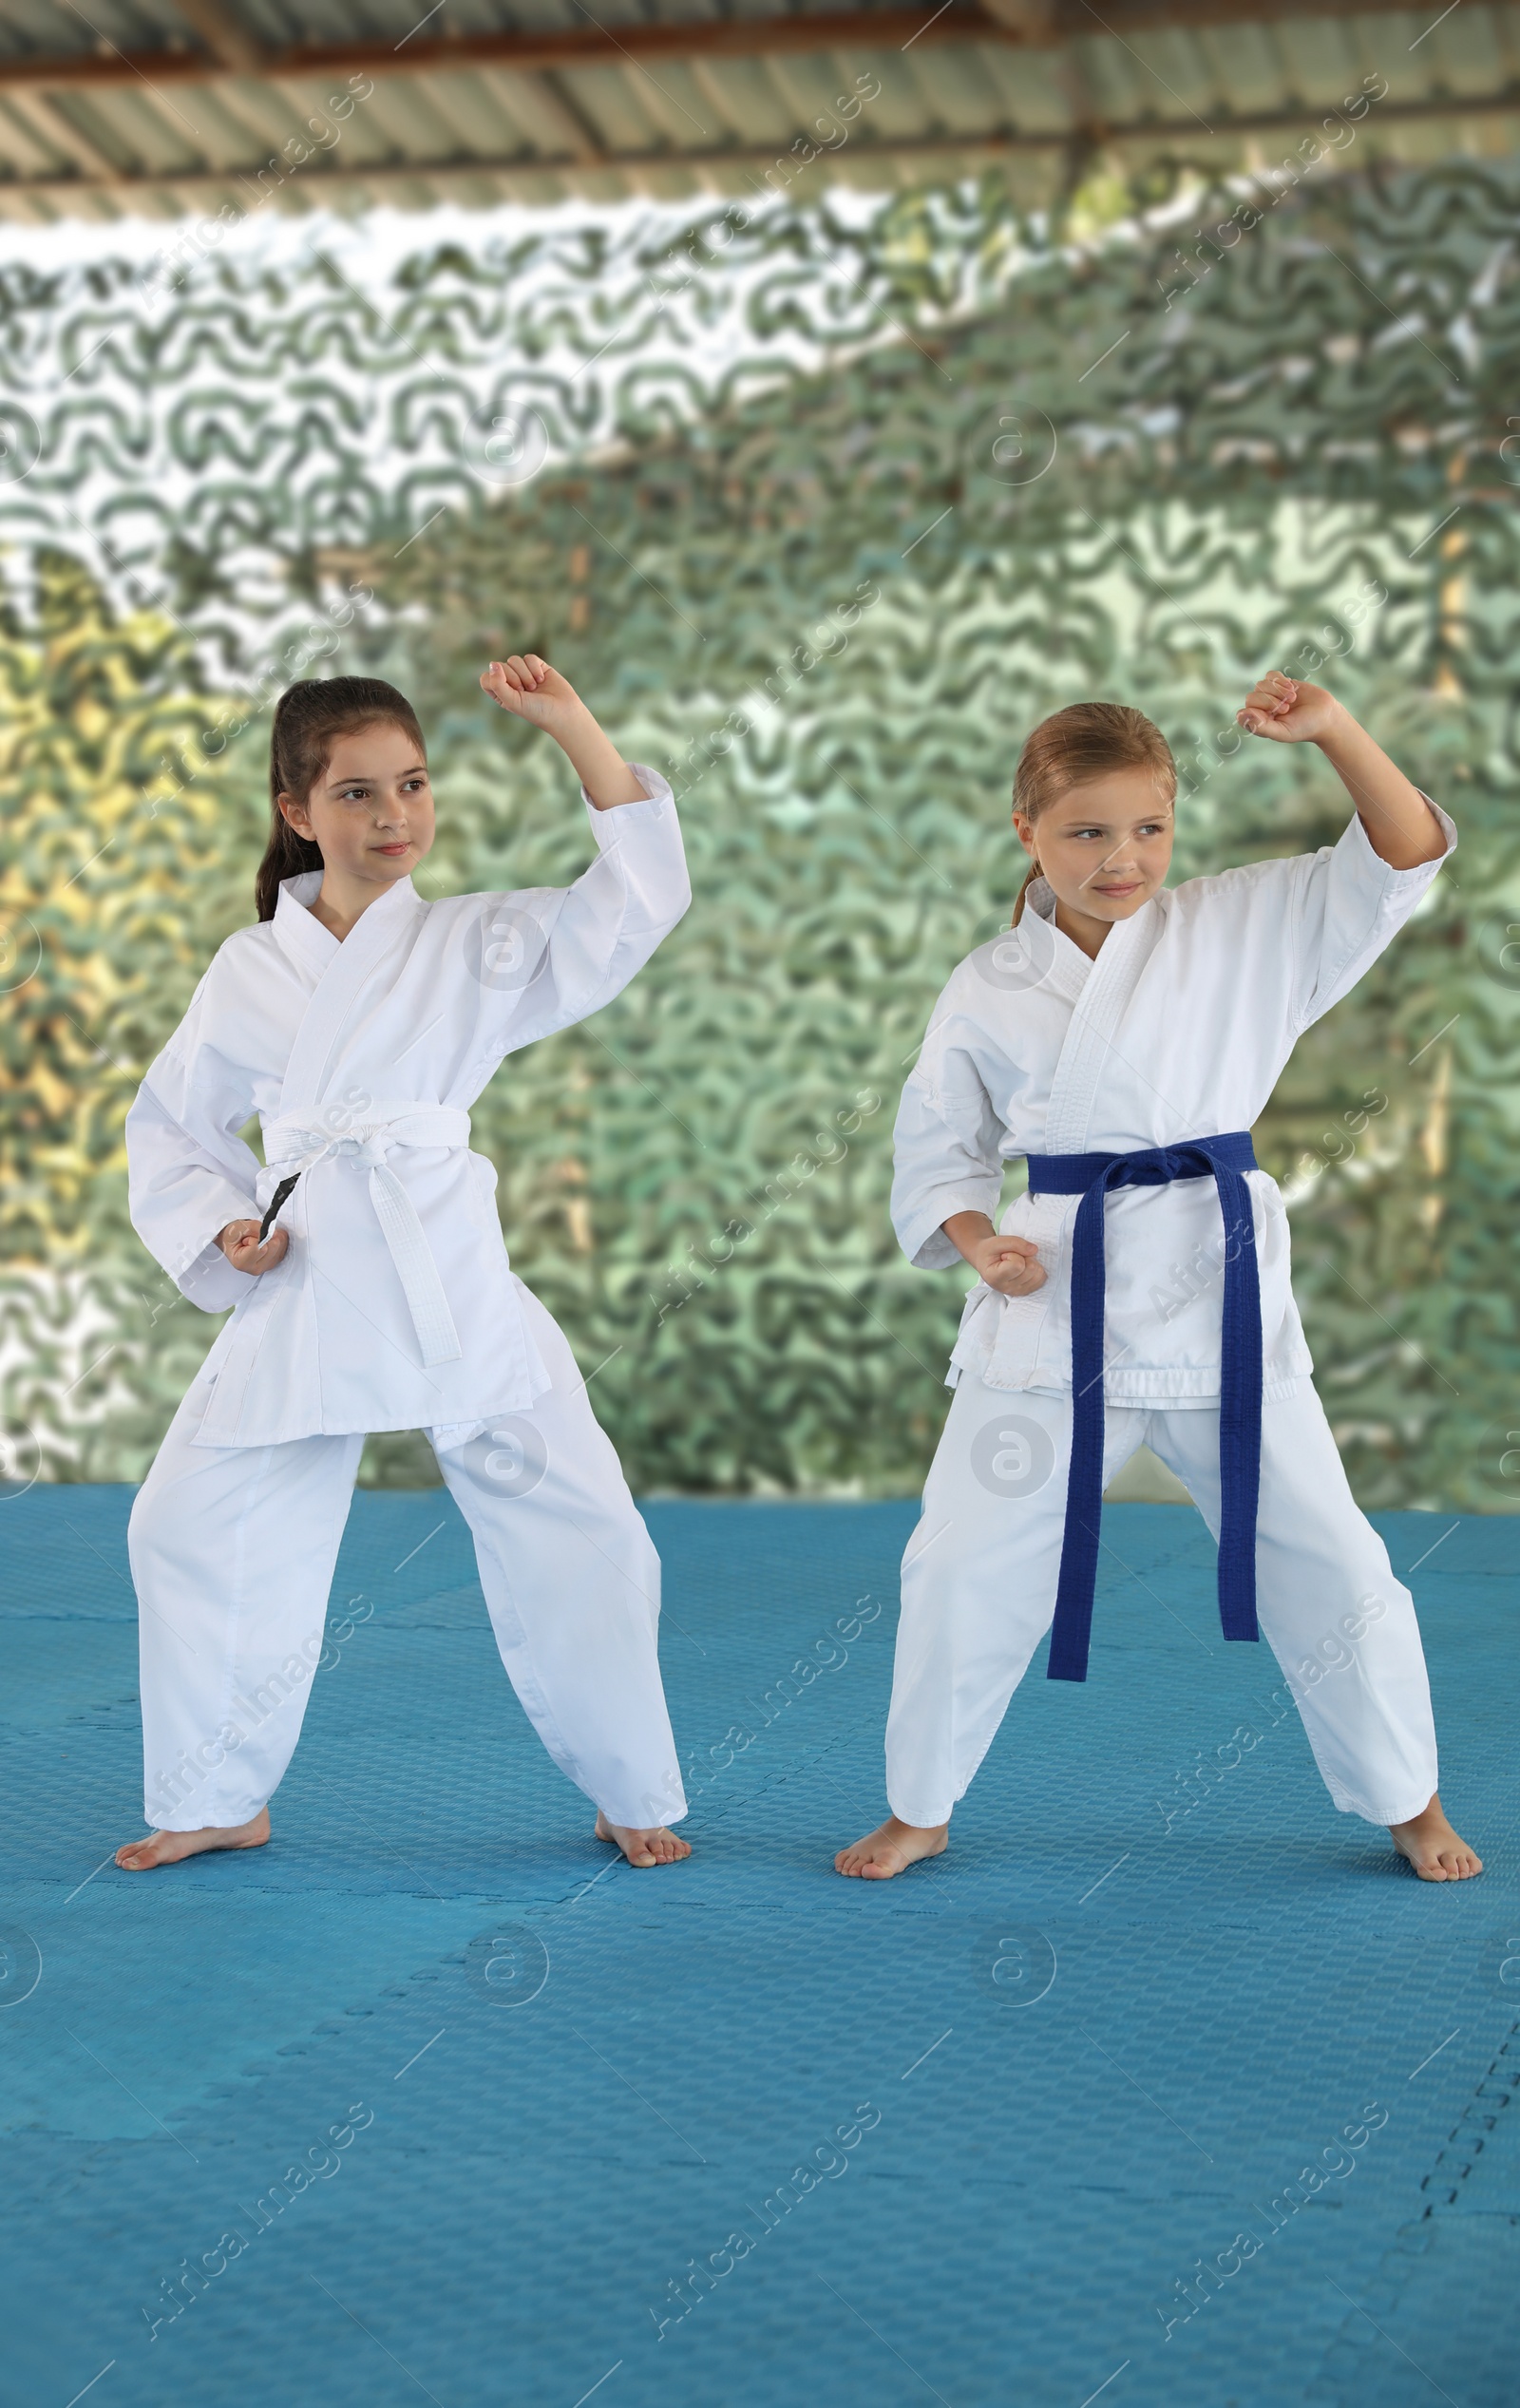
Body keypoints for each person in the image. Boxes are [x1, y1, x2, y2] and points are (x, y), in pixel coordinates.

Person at [836, 673, 1482, 1885]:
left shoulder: (1241, 925)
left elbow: (1398, 855)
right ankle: (920, 1805)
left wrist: (1335, 730)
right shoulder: (987, 981)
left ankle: (1409, 1798)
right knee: (960, 1560)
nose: (1120, 858)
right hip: (1053, 1296)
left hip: (1218, 1291)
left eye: (1148, 828)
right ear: (1025, 831)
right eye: (1085, 831)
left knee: (1329, 1556)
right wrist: (980, 1244)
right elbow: (939, 1154)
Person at [116, 658, 693, 1873]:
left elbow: (635, 899)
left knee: (578, 1516)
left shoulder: (477, 938)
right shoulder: (249, 967)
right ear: (298, 812)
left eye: (415, 786)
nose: (395, 820)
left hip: (445, 1268)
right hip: (311, 1268)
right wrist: (227, 1228)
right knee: (187, 1519)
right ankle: (220, 1793)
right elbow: (174, 1128)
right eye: (361, 795)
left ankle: (630, 1784)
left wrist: (573, 726)